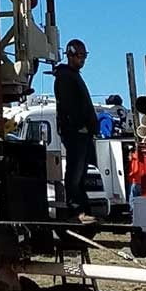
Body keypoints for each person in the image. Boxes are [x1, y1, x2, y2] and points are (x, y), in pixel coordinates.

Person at [53, 38, 97, 223]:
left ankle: (82, 209)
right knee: (75, 172)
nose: (82, 60)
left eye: (84, 56)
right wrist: (79, 125)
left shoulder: (73, 75)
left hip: (83, 133)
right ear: (70, 55)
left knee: (81, 173)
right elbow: (69, 105)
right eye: (80, 56)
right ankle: (75, 209)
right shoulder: (65, 77)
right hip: (76, 132)